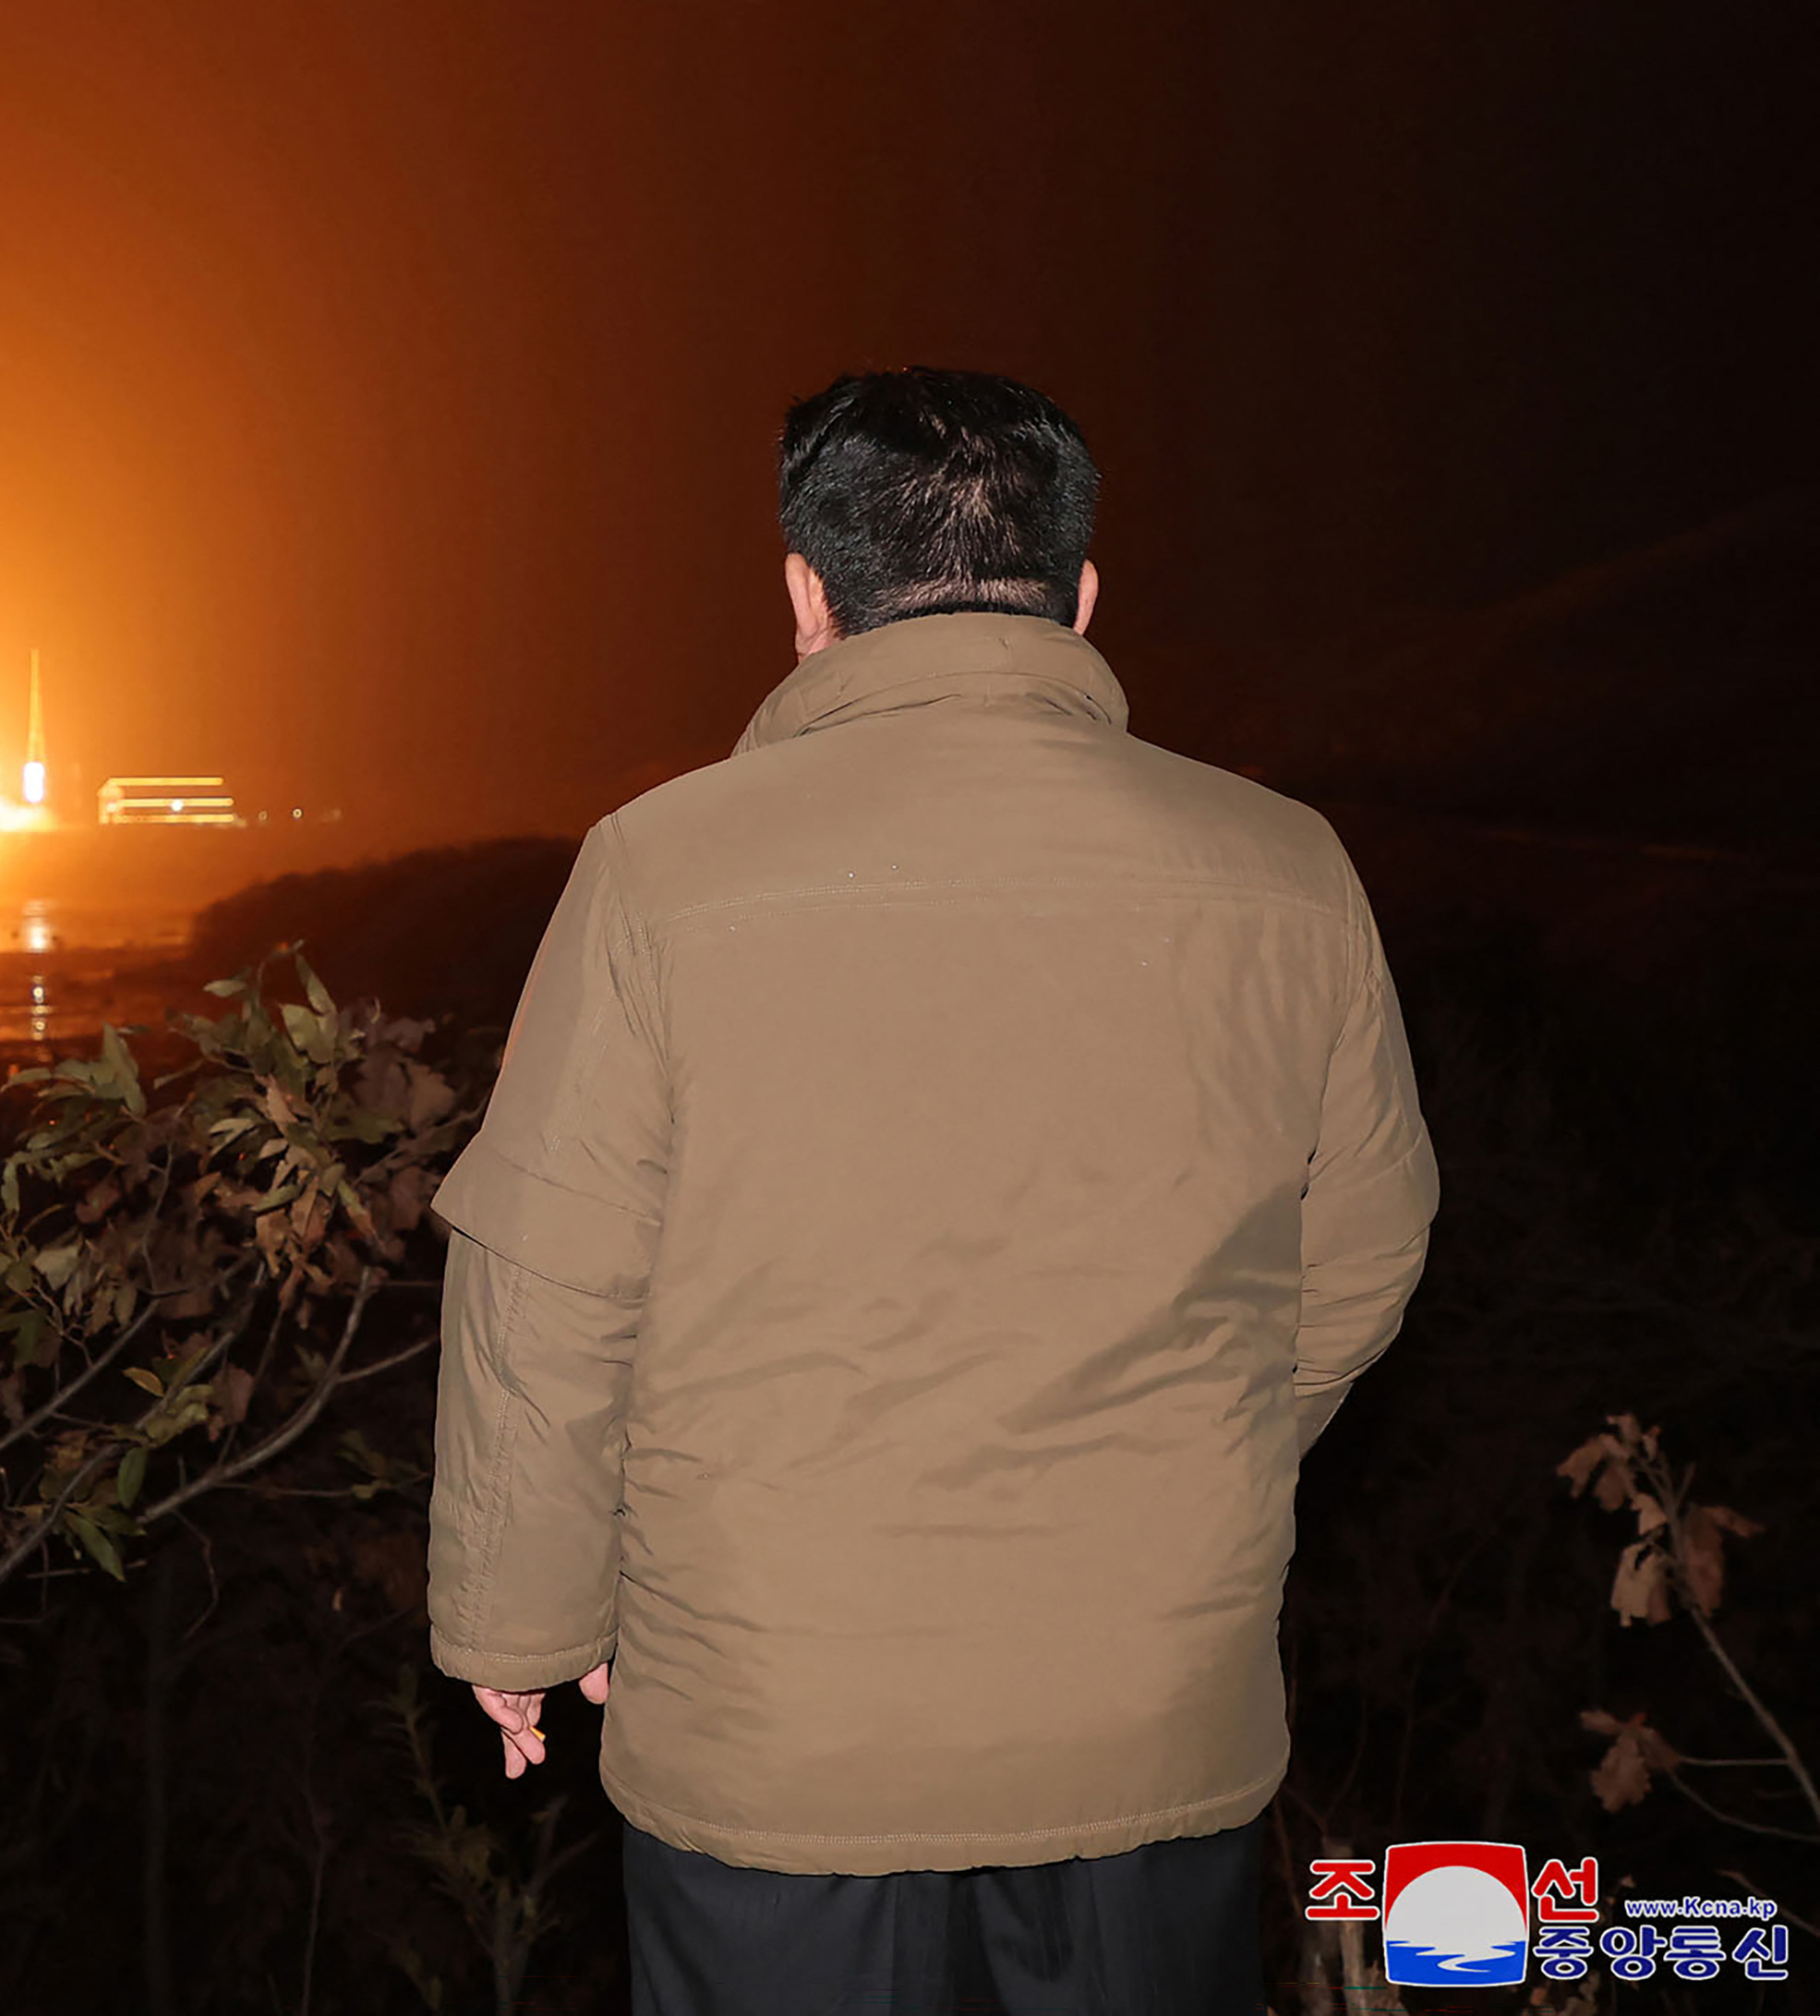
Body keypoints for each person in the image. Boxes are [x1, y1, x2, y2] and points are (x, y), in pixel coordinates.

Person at [424, 368, 1440, 2014]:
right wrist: (1197, 1447)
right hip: (1149, 1700)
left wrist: (521, 1619)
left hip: (779, 1721)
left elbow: (548, 1288)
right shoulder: (1289, 868)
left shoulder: (660, 868)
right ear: (1085, 596)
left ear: (806, 599)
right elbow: (1369, 1247)